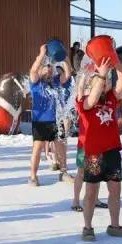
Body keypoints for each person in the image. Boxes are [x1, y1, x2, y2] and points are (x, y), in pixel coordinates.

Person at [77, 58, 122, 241]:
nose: (106, 82)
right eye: (102, 81)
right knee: (91, 192)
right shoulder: (84, 101)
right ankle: (88, 228)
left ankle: (114, 226)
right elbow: (93, 98)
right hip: (93, 154)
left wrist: (115, 61)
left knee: (115, 190)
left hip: (112, 152)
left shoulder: (111, 98)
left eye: (108, 80)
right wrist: (101, 75)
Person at [28, 44, 73, 187]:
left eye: (50, 66)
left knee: (61, 147)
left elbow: (68, 74)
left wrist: (65, 58)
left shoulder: (55, 81)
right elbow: (33, 70)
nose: (49, 68)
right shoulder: (35, 82)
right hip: (40, 121)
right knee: (37, 148)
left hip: (56, 120)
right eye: (46, 67)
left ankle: (64, 172)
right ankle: (33, 176)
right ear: (40, 69)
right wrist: (41, 54)